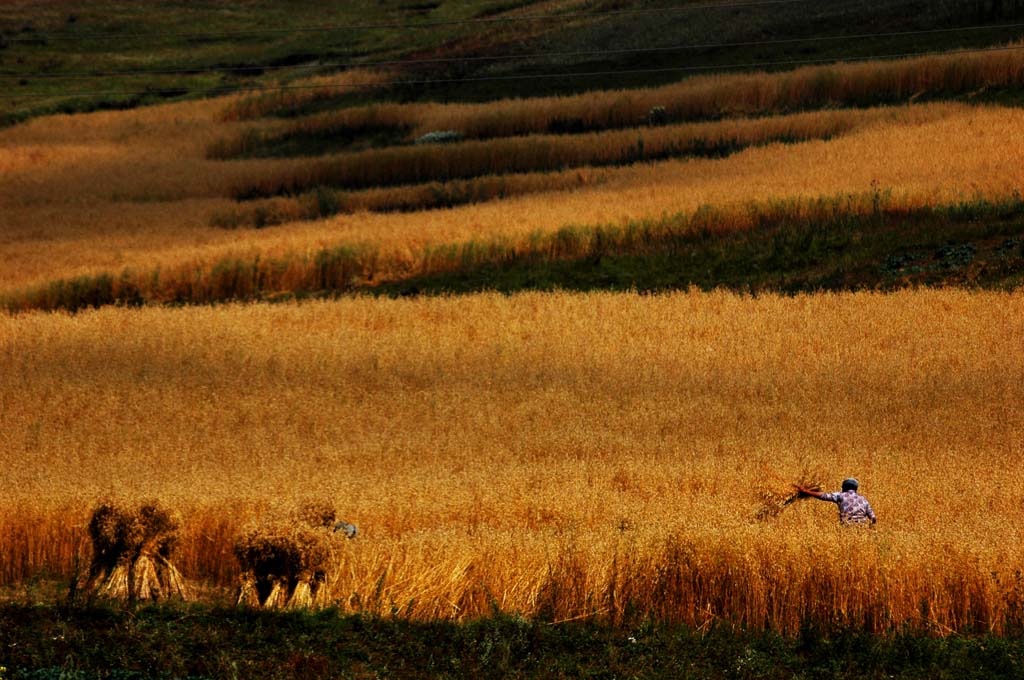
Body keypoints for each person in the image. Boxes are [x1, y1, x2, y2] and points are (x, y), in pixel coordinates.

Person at [797, 478, 876, 526]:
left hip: (847, 528)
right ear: (856, 489)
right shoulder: (863, 499)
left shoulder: (841, 495)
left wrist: (806, 491)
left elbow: (824, 496)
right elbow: (873, 518)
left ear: (844, 487)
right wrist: (870, 527)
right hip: (862, 531)